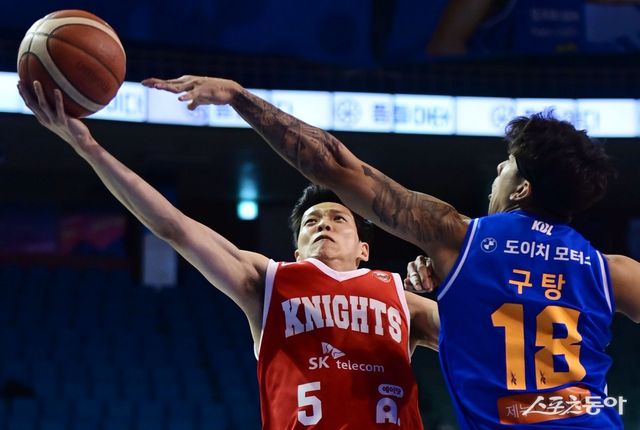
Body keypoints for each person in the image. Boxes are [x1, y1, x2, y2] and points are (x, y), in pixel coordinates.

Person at [143, 75, 640, 429]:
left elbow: (335, 165)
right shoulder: (610, 271)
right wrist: (457, 291)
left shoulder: (461, 238)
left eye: (506, 165)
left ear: (522, 189)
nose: (497, 171)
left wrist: (239, 97)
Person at [17, 80, 440, 429]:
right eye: (311, 221)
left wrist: (447, 283)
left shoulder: (401, 299)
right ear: (297, 251)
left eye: (338, 218)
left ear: (364, 249)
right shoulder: (271, 282)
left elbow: (478, 334)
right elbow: (175, 228)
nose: (323, 225)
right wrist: (89, 147)